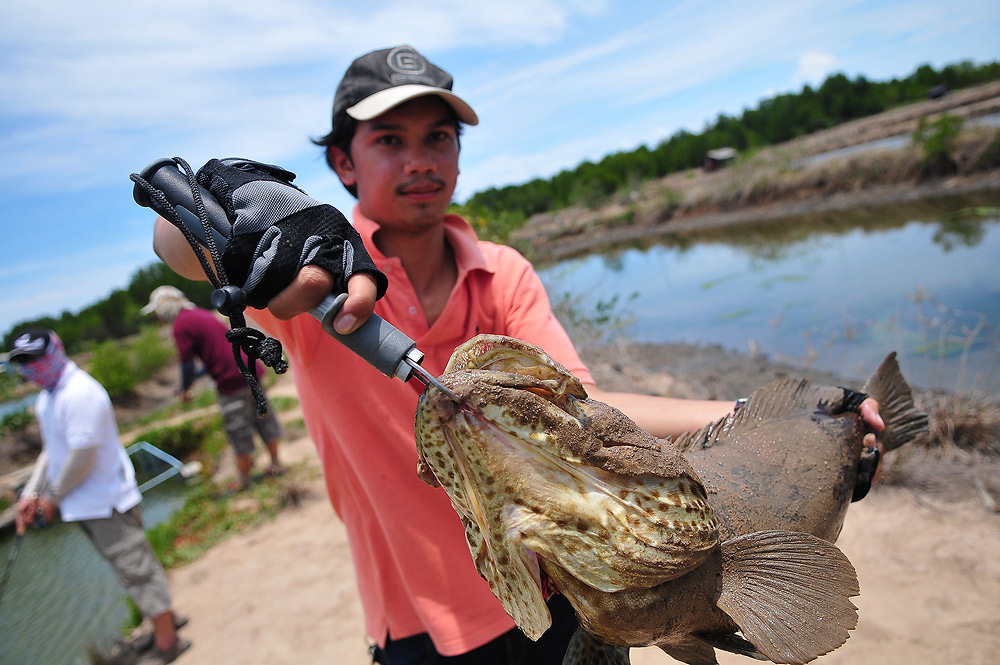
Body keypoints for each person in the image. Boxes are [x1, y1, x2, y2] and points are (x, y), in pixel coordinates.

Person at [152, 45, 885, 664]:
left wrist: (754, 414)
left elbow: (587, 407)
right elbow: (177, 247)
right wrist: (244, 203)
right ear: (343, 163)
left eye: (439, 137)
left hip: (566, 587)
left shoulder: (502, 271)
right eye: (390, 140)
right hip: (418, 619)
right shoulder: (307, 286)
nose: (420, 160)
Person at [7, 328, 190, 664]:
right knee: (129, 569)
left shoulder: (78, 393)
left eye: (36, 358)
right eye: (24, 362)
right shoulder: (48, 397)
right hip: (83, 504)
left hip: (107, 500)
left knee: (136, 568)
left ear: (56, 351)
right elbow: (52, 450)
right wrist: (32, 493)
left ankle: (168, 643)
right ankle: (164, 622)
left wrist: (51, 499)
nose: (31, 368)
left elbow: (82, 455)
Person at [140, 285, 284, 491]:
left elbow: (187, 362)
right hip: (247, 368)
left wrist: (185, 388)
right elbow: (215, 353)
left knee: (238, 428)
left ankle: (244, 480)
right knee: (263, 418)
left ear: (165, 307)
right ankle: (276, 463)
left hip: (231, 380)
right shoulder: (199, 313)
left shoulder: (181, 324)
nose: (159, 317)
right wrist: (194, 380)